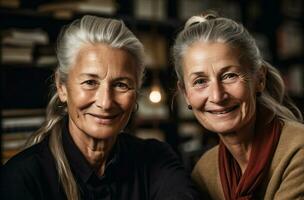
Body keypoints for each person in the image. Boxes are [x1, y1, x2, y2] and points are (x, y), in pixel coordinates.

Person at [0, 15, 199, 200]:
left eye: (121, 85)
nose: (105, 103)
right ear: (62, 87)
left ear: (136, 92)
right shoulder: (22, 176)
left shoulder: (156, 158)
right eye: (90, 82)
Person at [172, 12, 304, 200]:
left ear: (259, 78)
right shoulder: (205, 169)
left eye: (230, 76)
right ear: (185, 93)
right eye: (200, 81)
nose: (217, 96)